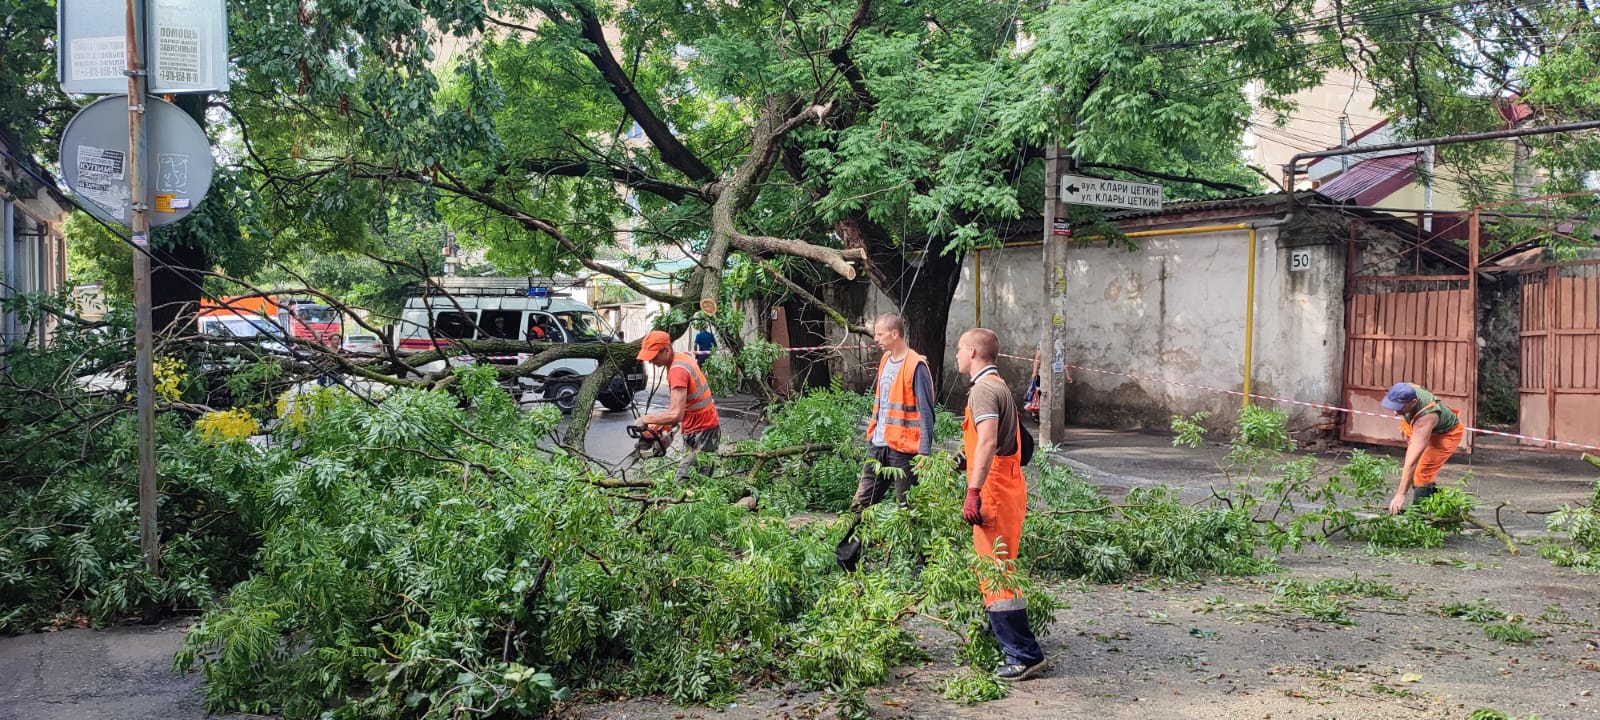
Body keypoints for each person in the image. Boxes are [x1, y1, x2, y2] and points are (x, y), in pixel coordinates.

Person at [954, 327, 1047, 681]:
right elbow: (1003, 440)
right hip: (1006, 485)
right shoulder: (1000, 386)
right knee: (999, 567)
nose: (958, 354)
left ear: (974, 352)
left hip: (993, 489)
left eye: (961, 349)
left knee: (996, 572)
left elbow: (989, 440)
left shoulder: (983, 391)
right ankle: (1007, 641)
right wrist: (966, 460)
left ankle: (1024, 654)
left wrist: (973, 490)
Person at [852, 313, 937, 511]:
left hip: (904, 449)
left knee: (907, 508)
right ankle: (849, 543)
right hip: (878, 444)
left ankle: (909, 543)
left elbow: (926, 412)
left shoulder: (916, 366)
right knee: (860, 505)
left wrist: (924, 451)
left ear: (894, 334)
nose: (876, 339)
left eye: (880, 335)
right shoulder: (885, 360)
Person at [633, 330, 720, 481]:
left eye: (654, 356)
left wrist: (646, 419)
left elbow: (676, 414)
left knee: (684, 482)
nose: (651, 361)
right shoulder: (681, 359)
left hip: (703, 431)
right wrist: (661, 426)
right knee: (697, 481)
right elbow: (680, 408)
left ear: (666, 349)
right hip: (700, 428)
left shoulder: (677, 370)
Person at [1382, 381, 1466, 514]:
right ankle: (1446, 507)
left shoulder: (1425, 417)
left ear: (1413, 402)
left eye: (1399, 408)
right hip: (1426, 429)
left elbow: (1411, 462)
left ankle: (1418, 517)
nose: (1395, 413)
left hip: (1446, 435)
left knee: (1422, 473)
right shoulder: (1408, 389)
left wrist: (1401, 494)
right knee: (1417, 472)